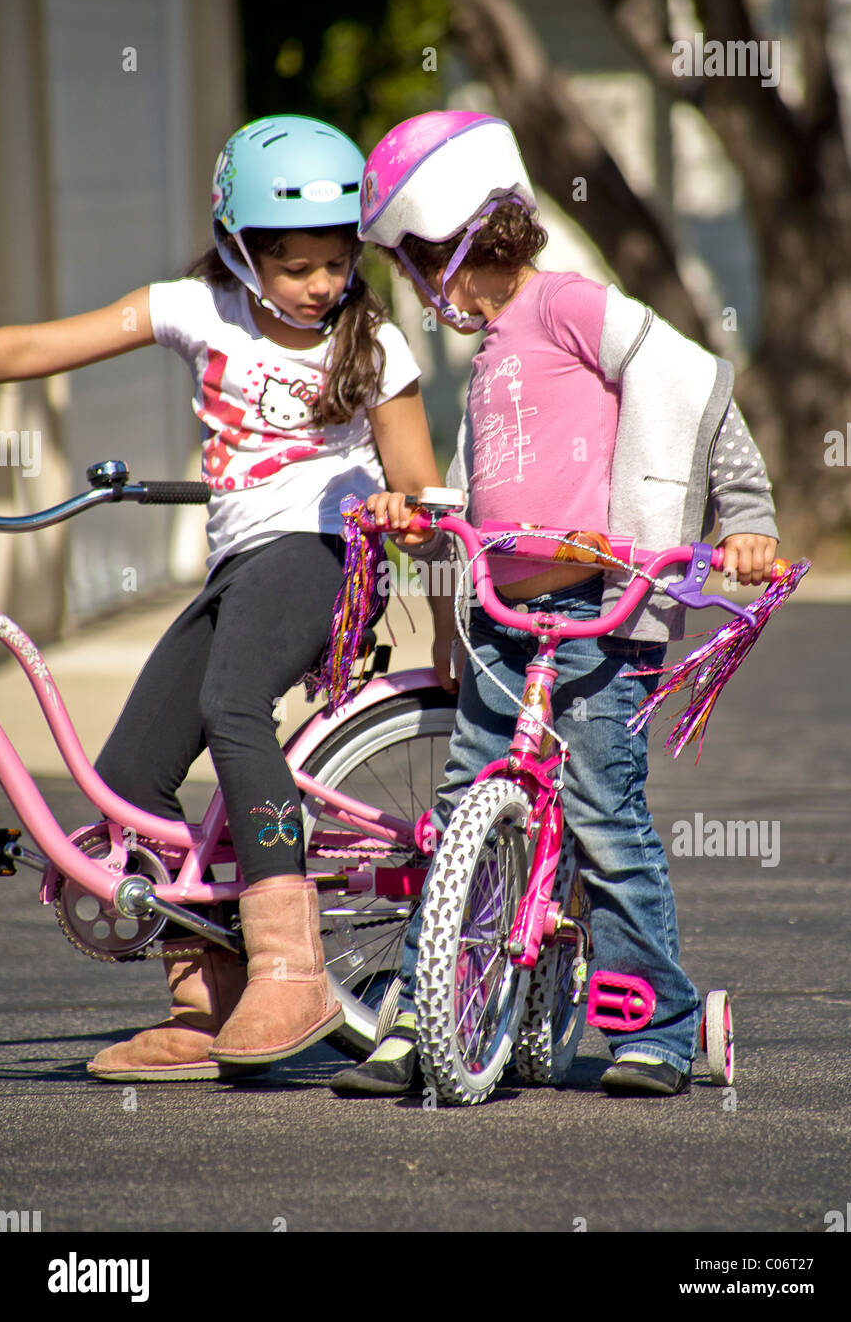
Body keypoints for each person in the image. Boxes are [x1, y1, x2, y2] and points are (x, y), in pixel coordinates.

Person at [331, 109, 778, 1098]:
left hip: (594, 621)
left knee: (601, 815)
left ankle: (652, 1024)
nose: (409, 284)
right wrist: (423, 523)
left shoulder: (568, 304)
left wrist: (744, 513)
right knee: (459, 818)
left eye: (409, 259)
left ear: (448, 236)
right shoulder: (490, 348)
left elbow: (692, 383)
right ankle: (422, 1009)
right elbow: (476, 485)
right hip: (501, 622)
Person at [0, 114, 453, 1081]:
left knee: (232, 704)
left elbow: (421, 483)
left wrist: (404, 509)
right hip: (241, 568)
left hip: (327, 555)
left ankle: (293, 971)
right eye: (297, 266)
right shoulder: (196, 308)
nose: (324, 284)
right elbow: (38, 345)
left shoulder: (373, 346)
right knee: (125, 782)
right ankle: (206, 999)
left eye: (336, 261)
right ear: (241, 252)